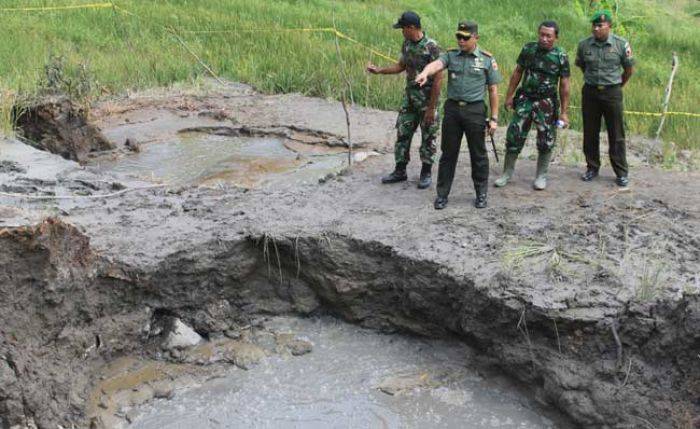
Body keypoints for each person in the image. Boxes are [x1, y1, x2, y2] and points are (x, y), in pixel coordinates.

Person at [415, 21, 502, 209]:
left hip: (475, 111)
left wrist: (494, 118)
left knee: (478, 154)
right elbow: (436, 64)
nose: (461, 41)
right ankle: (442, 194)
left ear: (475, 38)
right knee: (448, 154)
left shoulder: (487, 59)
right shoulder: (451, 56)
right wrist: (424, 73)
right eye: (458, 37)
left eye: (465, 37)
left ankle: (481, 194)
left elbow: (493, 91)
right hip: (453, 110)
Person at [367, 11, 442, 189]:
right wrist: (379, 71)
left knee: (428, 137)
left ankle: (425, 172)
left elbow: (438, 80)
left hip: (427, 102)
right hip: (409, 100)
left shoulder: (432, 47)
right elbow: (401, 66)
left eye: (403, 28)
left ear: (412, 28)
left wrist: (431, 108)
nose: (401, 32)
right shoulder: (407, 44)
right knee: (402, 134)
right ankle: (400, 170)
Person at [495, 20, 571, 190]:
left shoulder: (561, 56)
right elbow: (517, 73)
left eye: (548, 36)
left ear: (556, 38)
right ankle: (506, 173)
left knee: (546, 139)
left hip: (547, 103)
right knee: (514, 134)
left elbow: (565, 86)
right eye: (542, 34)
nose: (544, 39)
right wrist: (509, 96)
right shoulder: (529, 49)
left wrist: (564, 112)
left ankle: (541, 176)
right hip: (525, 100)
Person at [575, 9, 635, 187]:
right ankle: (592, 168)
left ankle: (621, 172)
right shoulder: (584, 45)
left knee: (616, 133)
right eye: (594, 25)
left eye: (600, 25)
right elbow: (582, 66)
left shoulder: (620, 44)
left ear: (609, 26)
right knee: (590, 131)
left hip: (612, 93)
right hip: (591, 93)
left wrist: (616, 85)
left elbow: (628, 70)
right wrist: (595, 81)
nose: (596, 29)